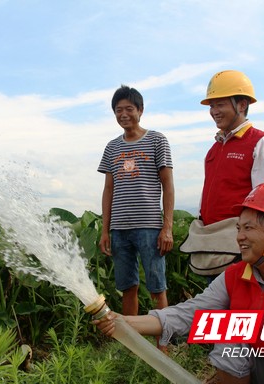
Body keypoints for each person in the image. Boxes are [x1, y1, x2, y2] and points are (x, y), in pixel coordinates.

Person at [94, 183, 264, 384]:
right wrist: (122, 322)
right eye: (238, 228)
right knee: (228, 332)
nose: (240, 237)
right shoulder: (236, 275)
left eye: (249, 228)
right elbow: (189, 314)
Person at [181, 70, 264, 279]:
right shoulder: (213, 149)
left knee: (241, 307)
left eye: (220, 104)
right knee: (218, 307)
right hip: (214, 246)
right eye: (211, 106)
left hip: (241, 248)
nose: (214, 111)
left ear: (242, 105)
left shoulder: (260, 142)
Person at [98, 84, 175, 316]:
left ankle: (164, 341)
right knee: (127, 287)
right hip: (119, 229)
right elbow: (108, 189)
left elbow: (168, 185)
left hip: (149, 227)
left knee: (156, 287)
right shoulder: (112, 147)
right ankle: (132, 343)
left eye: (129, 108)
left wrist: (167, 227)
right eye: (118, 110)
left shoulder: (157, 140)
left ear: (140, 110)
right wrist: (105, 231)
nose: (123, 114)